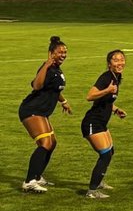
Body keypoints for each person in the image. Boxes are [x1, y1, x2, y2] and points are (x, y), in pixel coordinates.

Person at [18, 35, 72, 193]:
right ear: (51, 53)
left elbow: (54, 89)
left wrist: (63, 101)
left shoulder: (57, 69)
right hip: (32, 110)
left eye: (65, 52)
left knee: (52, 143)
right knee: (45, 144)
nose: (63, 54)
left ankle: (37, 176)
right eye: (60, 52)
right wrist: (47, 65)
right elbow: (37, 85)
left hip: (42, 111)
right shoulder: (47, 67)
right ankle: (29, 181)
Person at [81, 48, 127, 199]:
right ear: (109, 64)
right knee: (105, 155)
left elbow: (106, 101)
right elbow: (90, 96)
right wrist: (107, 90)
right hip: (92, 123)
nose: (120, 62)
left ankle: (98, 181)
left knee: (110, 151)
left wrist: (115, 109)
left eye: (122, 59)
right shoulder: (106, 77)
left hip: (101, 123)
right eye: (116, 60)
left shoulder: (116, 77)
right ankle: (92, 191)